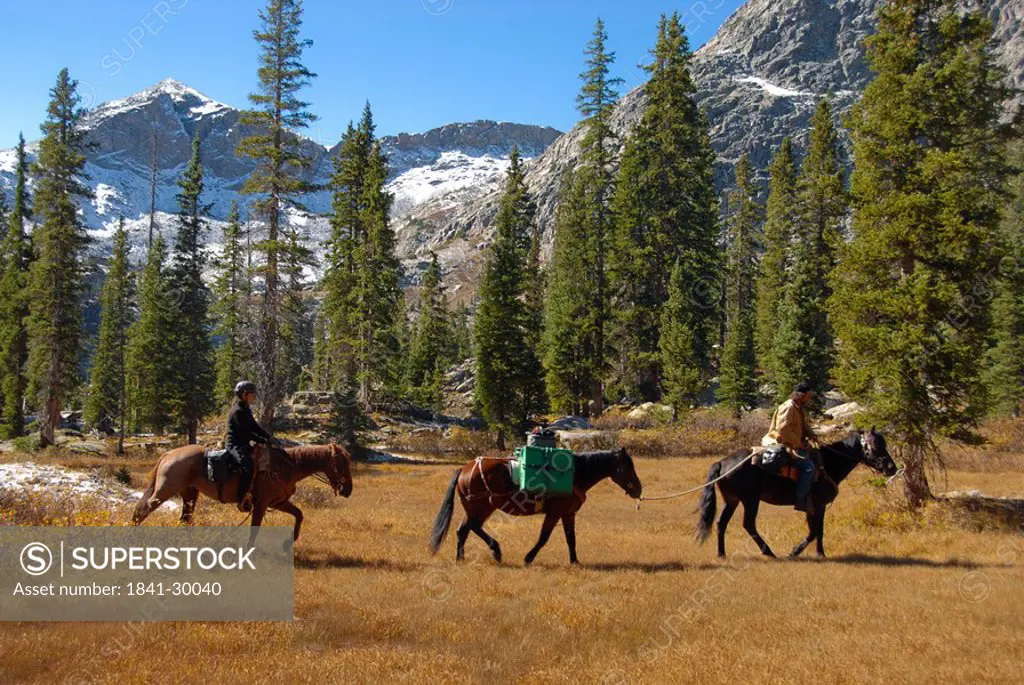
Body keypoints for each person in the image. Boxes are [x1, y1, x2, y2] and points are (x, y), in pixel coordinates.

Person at [761, 381, 819, 513]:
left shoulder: (798, 407)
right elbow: (783, 430)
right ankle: (800, 499)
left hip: (793, 443)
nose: (809, 399)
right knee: (809, 467)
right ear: (800, 395)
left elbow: (803, 425)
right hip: (783, 443)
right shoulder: (789, 407)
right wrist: (798, 443)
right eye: (808, 396)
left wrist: (812, 434)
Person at [225, 381, 274, 512]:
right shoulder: (238, 411)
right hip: (235, 445)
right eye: (252, 394)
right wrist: (262, 440)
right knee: (248, 467)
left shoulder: (246, 408)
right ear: (245, 395)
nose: (255, 397)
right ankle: (241, 498)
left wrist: (269, 437)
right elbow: (247, 433)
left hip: (243, 443)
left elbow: (254, 426)